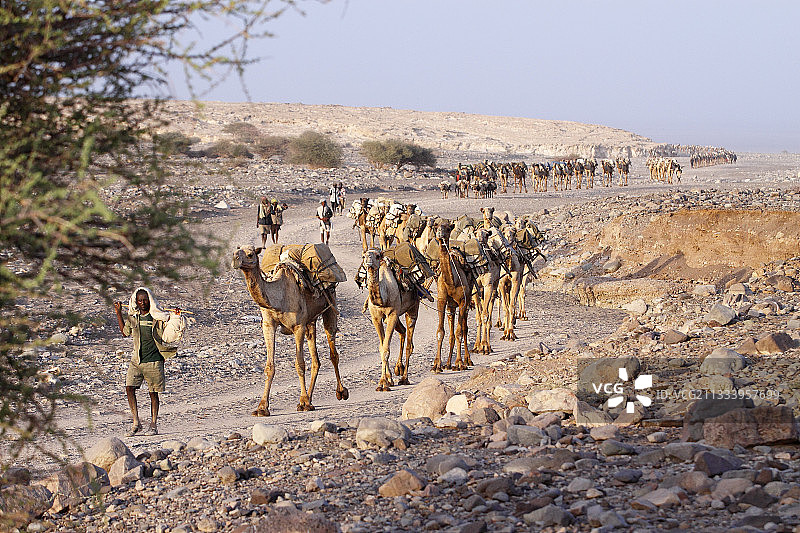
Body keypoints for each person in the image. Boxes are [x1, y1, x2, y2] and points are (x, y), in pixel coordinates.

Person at [114, 287, 186, 436]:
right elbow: (124, 333)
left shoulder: (157, 318)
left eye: (145, 300)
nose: (142, 303)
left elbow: (171, 327)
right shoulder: (133, 317)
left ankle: (153, 425)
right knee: (129, 388)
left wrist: (176, 315)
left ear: (150, 301)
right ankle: (136, 423)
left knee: (153, 393)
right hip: (136, 360)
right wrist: (118, 313)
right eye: (139, 300)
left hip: (154, 361)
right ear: (136, 301)